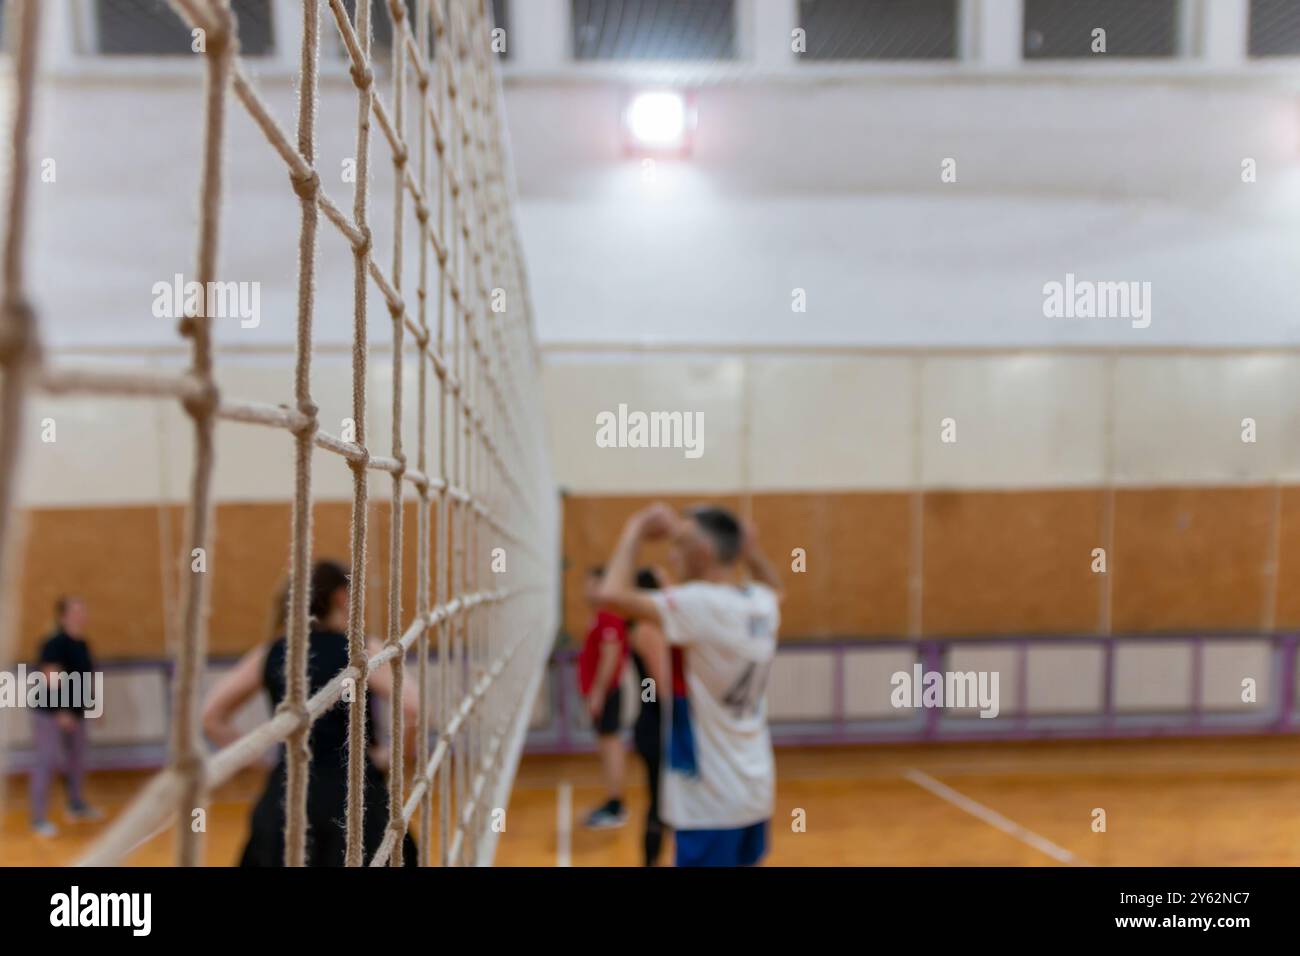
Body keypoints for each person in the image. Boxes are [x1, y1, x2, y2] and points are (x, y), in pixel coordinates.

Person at [596, 504, 783, 867]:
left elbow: (609, 597)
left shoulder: (701, 605)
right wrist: (751, 552)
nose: (671, 553)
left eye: (680, 544)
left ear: (704, 553)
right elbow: (777, 588)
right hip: (753, 789)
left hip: (710, 801)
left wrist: (634, 529)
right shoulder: (762, 604)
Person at [202, 560, 420, 866]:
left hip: (288, 798)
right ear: (342, 597)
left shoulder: (274, 651)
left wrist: (264, 764)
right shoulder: (359, 651)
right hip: (355, 798)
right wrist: (394, 757)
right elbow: (412, 708)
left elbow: (211, 717)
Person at [30, 595, 102, 836]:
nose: (82, 613)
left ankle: (76, 805)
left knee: (77, 759)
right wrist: (60, 712)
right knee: (47, 761)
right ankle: (38, 818)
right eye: (76, 610)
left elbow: (84, 680)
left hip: (76, 712)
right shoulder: (54, 643)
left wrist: (93, 706)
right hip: (50, 713)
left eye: (83, 609)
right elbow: (51, 679)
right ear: (64, 616)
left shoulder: (82, 644)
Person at [577, 565, 631, 828]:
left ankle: (616, 805)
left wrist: (598, 693)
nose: (586, 590)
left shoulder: (609, 614)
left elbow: (611, 655)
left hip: (608, 692)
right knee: (607, 744)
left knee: (611, 745)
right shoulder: (599, 615)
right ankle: (613, 802)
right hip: (604, 692)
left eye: (592, 584)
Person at [628, 567, 670, 866]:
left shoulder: (646, 626)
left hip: (651, 722)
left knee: (664, 801)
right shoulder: (648, 630)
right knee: (662, 802)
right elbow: (658, 685)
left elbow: (649, 687)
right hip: (656, 726)